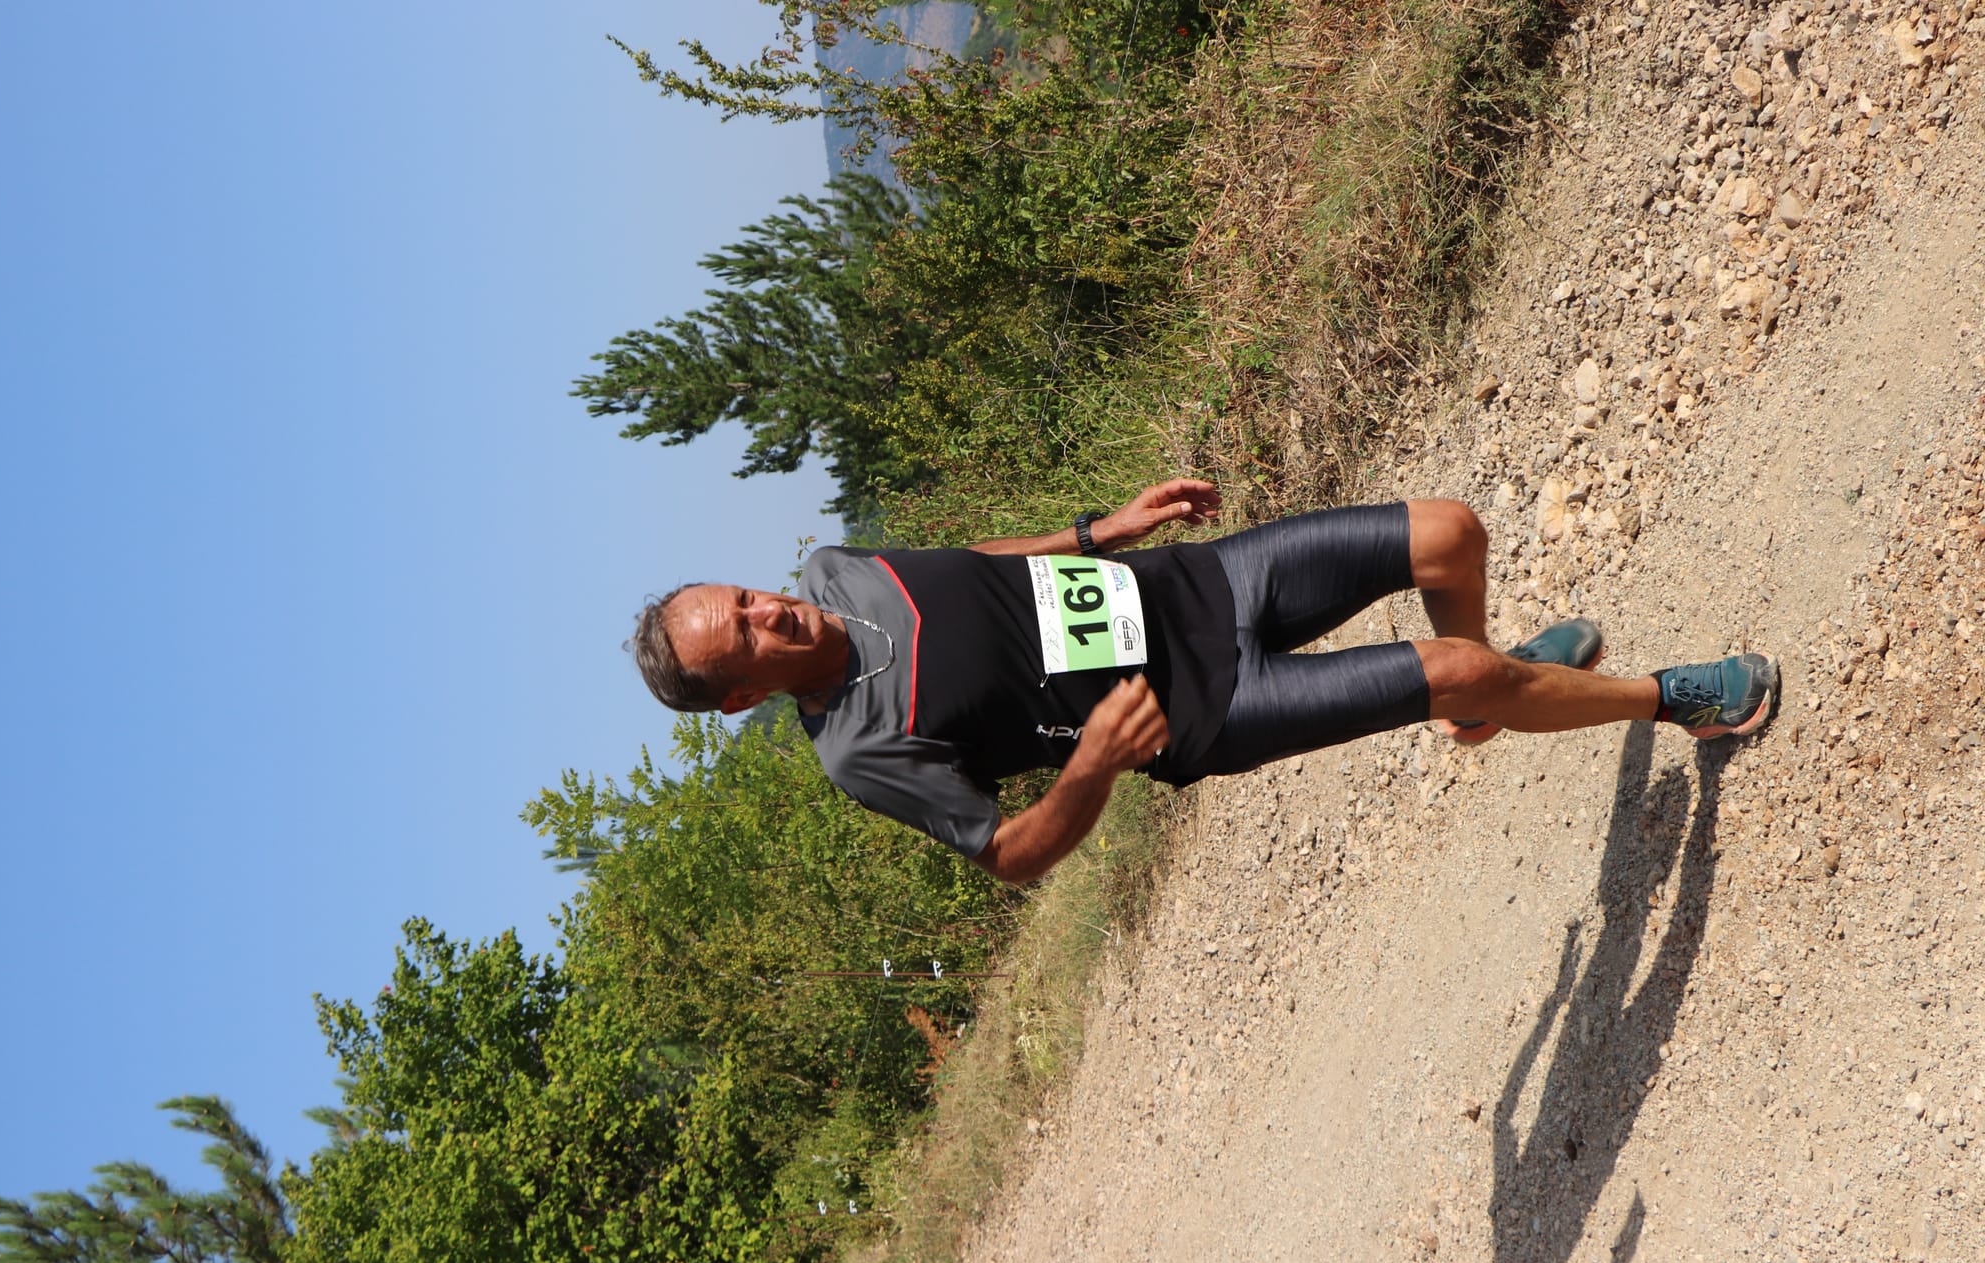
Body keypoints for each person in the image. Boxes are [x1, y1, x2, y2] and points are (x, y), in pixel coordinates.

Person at [628, 480, 1777, 884]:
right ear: (741, 697)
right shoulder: (857, 751)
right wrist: (1089, 764)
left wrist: (1096, 528)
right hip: (1203, 709)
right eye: (749, 638)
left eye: (744, 596)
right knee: (1456, 660)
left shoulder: (836, 569)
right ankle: (1675, 698)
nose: (772, 611)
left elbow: (971, 569)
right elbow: (1008, 855)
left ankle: (1486, 705)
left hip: (1193, 586)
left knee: (1450, 535)